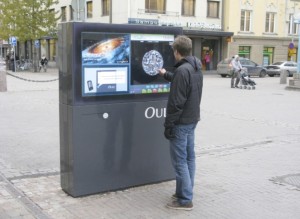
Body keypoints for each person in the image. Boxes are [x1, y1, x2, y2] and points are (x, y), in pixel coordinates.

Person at [158, 35, 203, 211]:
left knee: (180, 162)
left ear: (176, 51)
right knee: (189, 158)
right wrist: (166, 75)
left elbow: (176, 102)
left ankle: (185, 199)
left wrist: (168, 125)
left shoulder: (183, 70)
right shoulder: (195, 67)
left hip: (181, 122)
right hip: (192, 119)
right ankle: (185, 192)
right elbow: (184, 84)